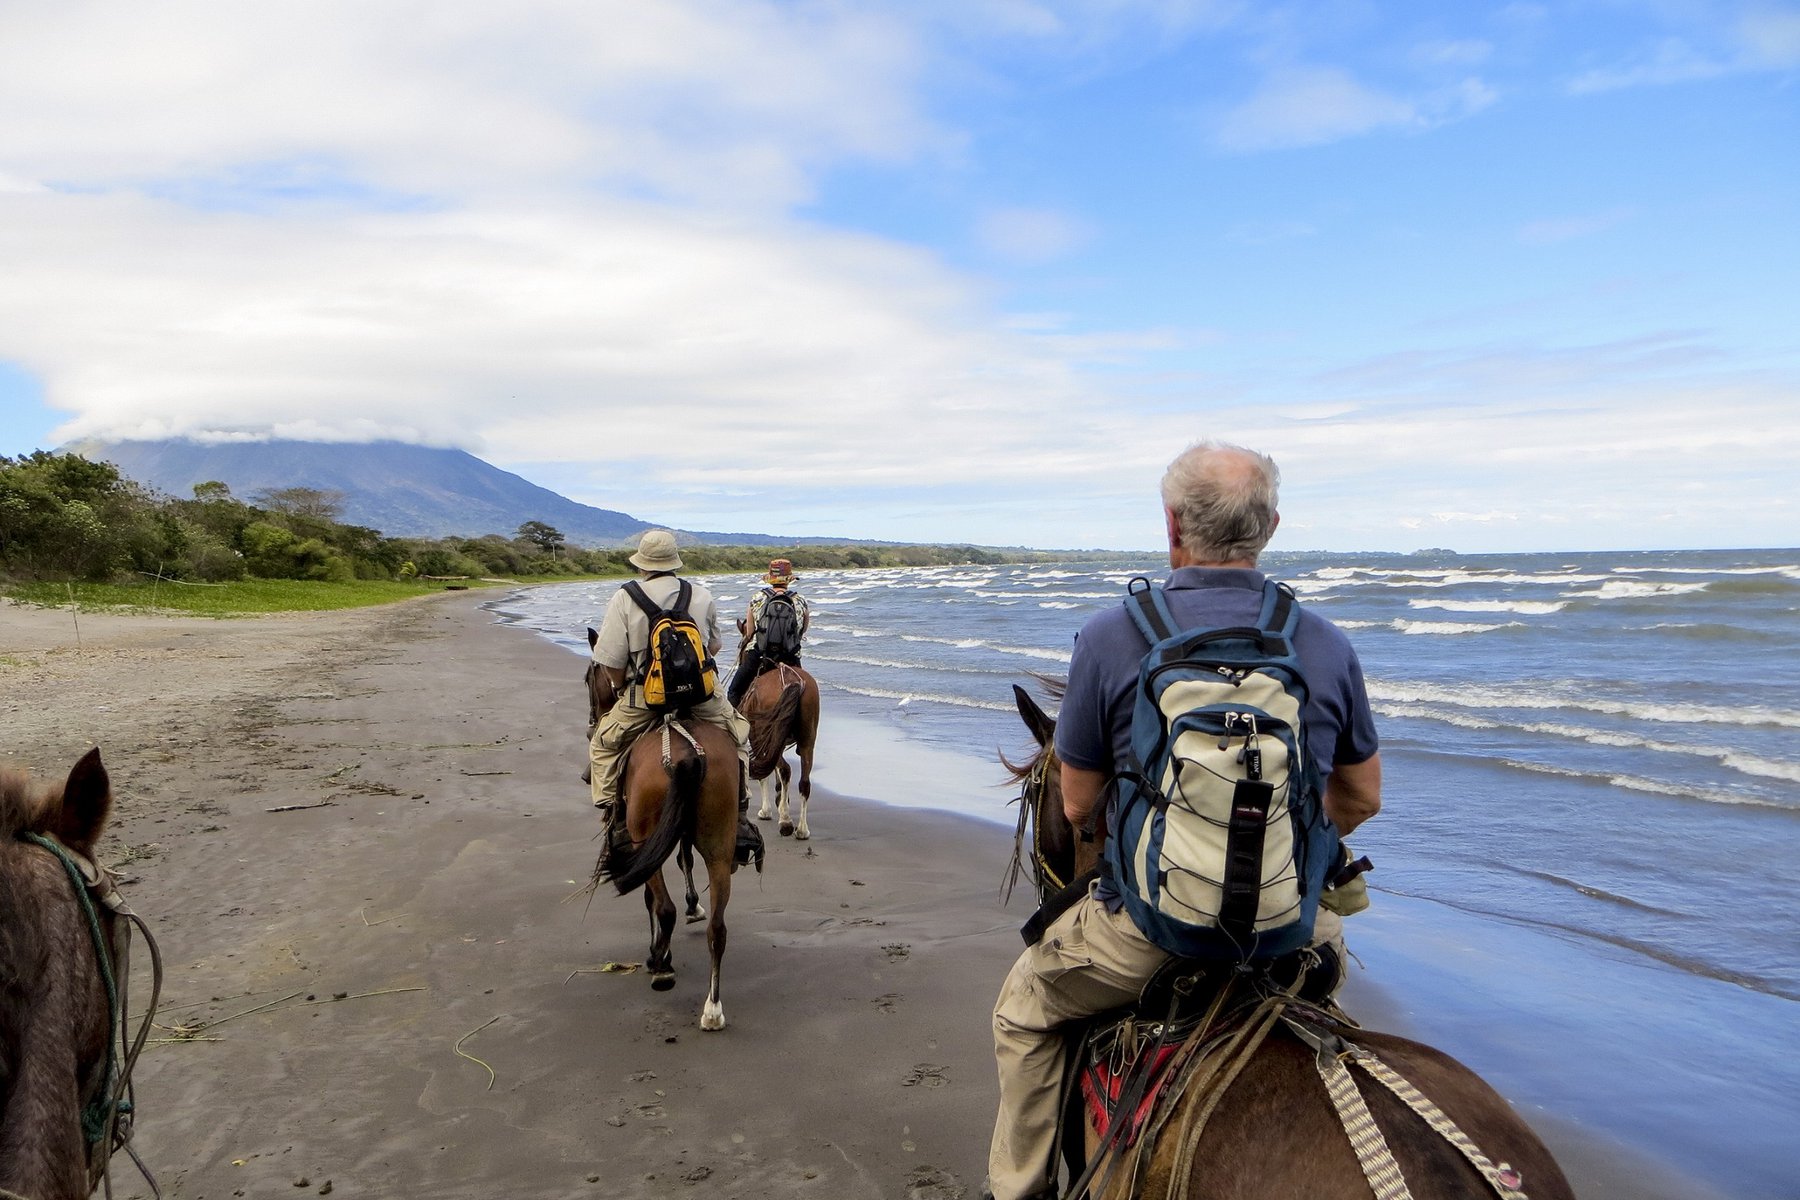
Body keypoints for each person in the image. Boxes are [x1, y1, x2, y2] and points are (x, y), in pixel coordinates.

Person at [983, 441, 1383, 1200]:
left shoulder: (1111, 637)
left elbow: (1075, 804)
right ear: (1270, 524)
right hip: (1292, 934)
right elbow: (1362, 798)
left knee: (1024, 1010)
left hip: (1150, 933)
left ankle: (1020, 1188)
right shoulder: (1325, 643)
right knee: (1336, 1034)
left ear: (1171, 526)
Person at [587, 530, 754, 827]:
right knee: (739, 736)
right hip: (701, 698)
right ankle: (740, 812)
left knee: (602, 743)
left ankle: (615, 816)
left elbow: (610, 661)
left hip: (645, 699)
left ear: (642, 565)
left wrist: (625, 686)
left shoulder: (625, 598)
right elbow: (713, 647)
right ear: (675, 562)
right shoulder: (701, 595)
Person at [726, 557, 811, 707]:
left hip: (759, 654)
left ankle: (732, 728)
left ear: (770, 579)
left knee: (734, 691)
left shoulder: (757, 598)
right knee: (804, 689)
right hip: (791, 656)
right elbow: (802, 630)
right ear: (788, 580)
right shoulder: (800, 600)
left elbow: (750, 631)